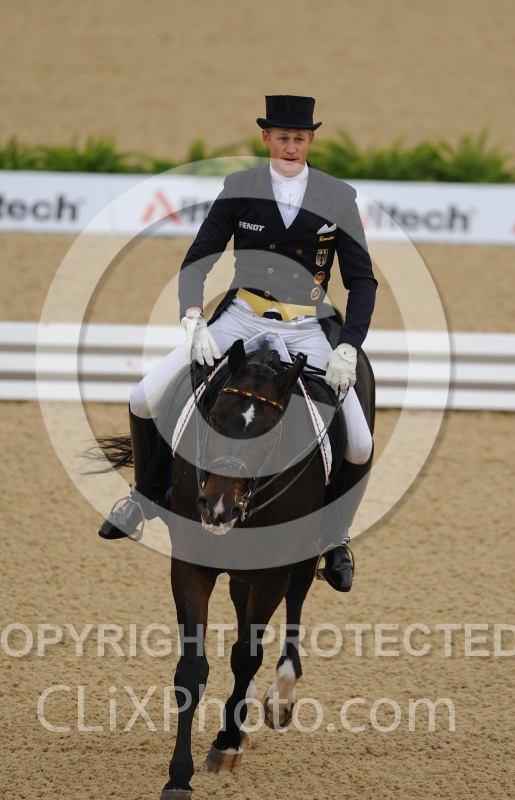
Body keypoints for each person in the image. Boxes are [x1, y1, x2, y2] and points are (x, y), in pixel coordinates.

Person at [98, 95, 377, 592]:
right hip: (242, 317)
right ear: (267, 138)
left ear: (311, 141)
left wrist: (348, 345)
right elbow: (200, 257)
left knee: (359, 442)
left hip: (306, 324)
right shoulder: (240, 187)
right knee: (142, 397)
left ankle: (334, 537)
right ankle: (145, 496)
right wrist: (192, 318)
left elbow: (362, 280)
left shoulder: (338, 196)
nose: (290, 146)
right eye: (282, 137)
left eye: (299, 138)